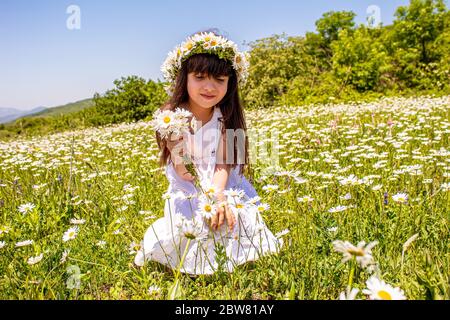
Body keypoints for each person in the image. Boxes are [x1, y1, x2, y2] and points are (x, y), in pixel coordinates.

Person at [134, 30, 282, 275]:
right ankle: (190, 265)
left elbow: (223, 165)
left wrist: (219, 196)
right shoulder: (171, 116)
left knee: (235, 215)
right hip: (189, 187)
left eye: (220, 79)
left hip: (220, 181)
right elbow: (184, 169)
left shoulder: (225, 116)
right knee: (191, 225)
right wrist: (208, 200)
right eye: (200, 77)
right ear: (184, 78)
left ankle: (234, 260)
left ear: (230, 83)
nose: (210, 87)